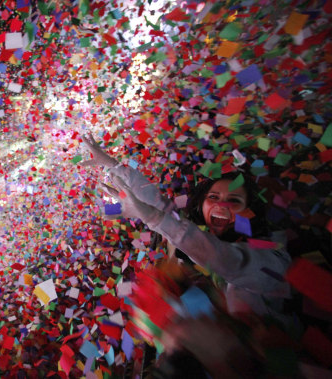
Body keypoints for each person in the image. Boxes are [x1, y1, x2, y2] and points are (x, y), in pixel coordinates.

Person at [80, 134, 291, 321]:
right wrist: (114, 166)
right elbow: (163, 207)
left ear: (250, 210)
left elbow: (228, 261)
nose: (221, 205)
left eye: (233, 200)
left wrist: (155, 218)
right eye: (213, 197)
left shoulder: (272, 253)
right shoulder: (208, 236)